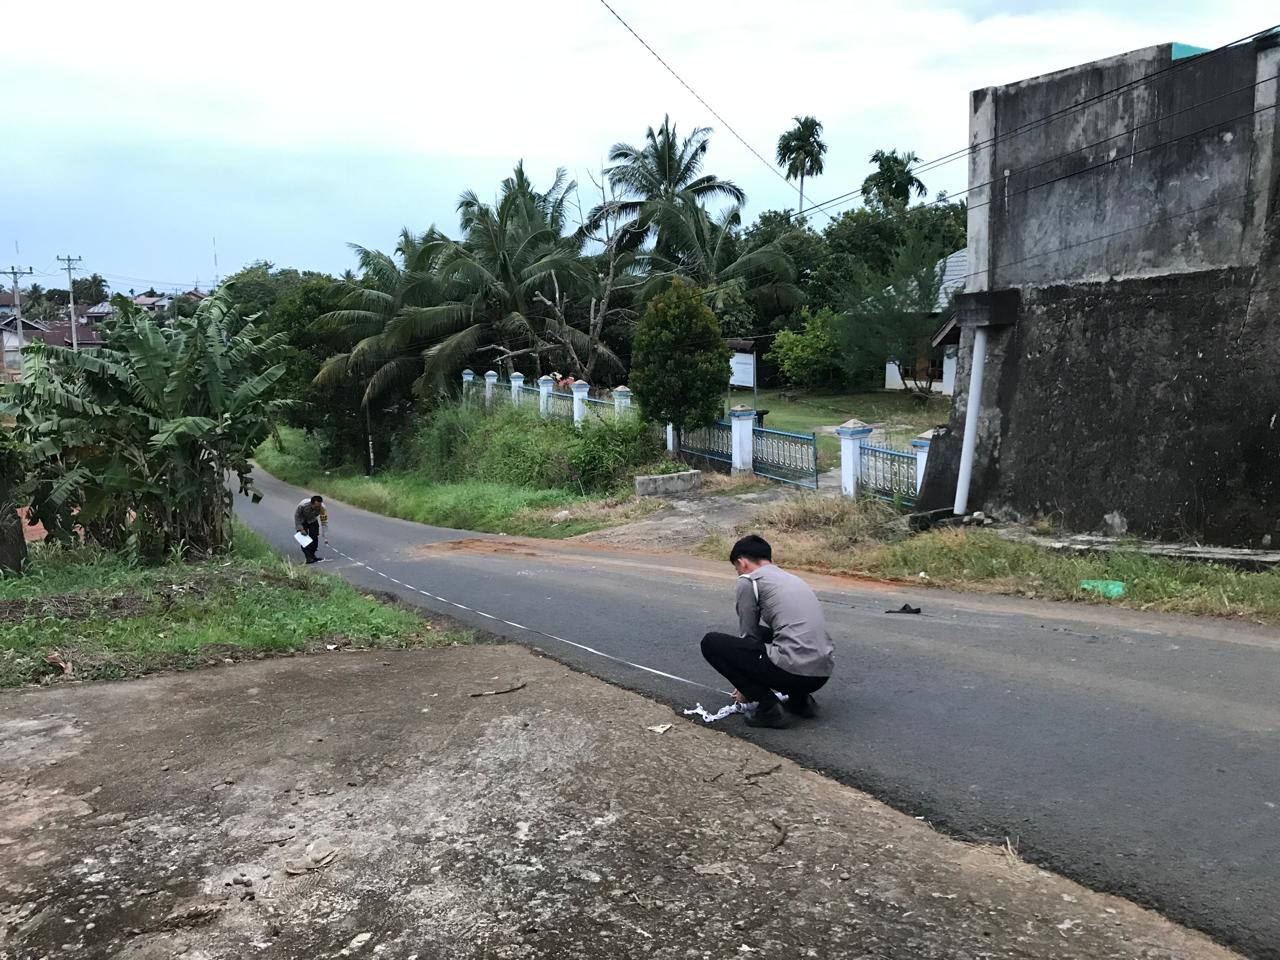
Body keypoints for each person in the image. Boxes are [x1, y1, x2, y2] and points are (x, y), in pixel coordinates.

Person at [701, 534, 834, 729]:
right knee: (778, 635)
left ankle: (769, 708)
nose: (738, 573)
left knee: (711, 643)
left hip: (794, 672)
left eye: (736, 568)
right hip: (822, 673)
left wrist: (744, 687)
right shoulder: (791, 578)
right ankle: (800, 701)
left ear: (742, 562)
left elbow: (748, 636)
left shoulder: (748, 581)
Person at [294, 495, 329, 564]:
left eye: (319, 506)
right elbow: (297, 517)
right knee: (304, 539)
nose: (317, 508)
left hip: (312, 520)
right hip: (302, 520)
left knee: (314, 536)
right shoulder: (302, 505)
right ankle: (308, 557)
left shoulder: (322, 508)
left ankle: (312, 555)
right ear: (311, 503)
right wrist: (301, 529)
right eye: (316, 507)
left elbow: (324, 521)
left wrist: (325, 535)